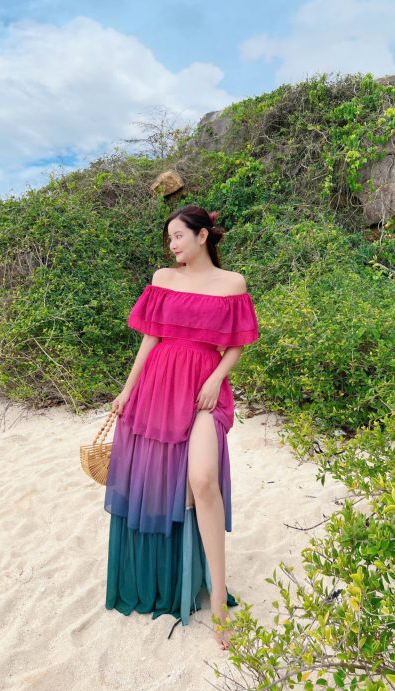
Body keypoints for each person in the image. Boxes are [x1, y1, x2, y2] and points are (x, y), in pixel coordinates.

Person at [104, 204, 259, 650]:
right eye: (169, 238)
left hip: (205, 391)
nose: (172, 245)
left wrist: (215, 378)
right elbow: (150, 340)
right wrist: (127, 391)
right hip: (158, 385)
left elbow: (237, 344)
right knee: (157, 481)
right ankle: (165, 575)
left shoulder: (232, 284)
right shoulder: (163, 278)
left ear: (202, 236)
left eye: (178, 236)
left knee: (203, 480)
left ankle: (218, 603)